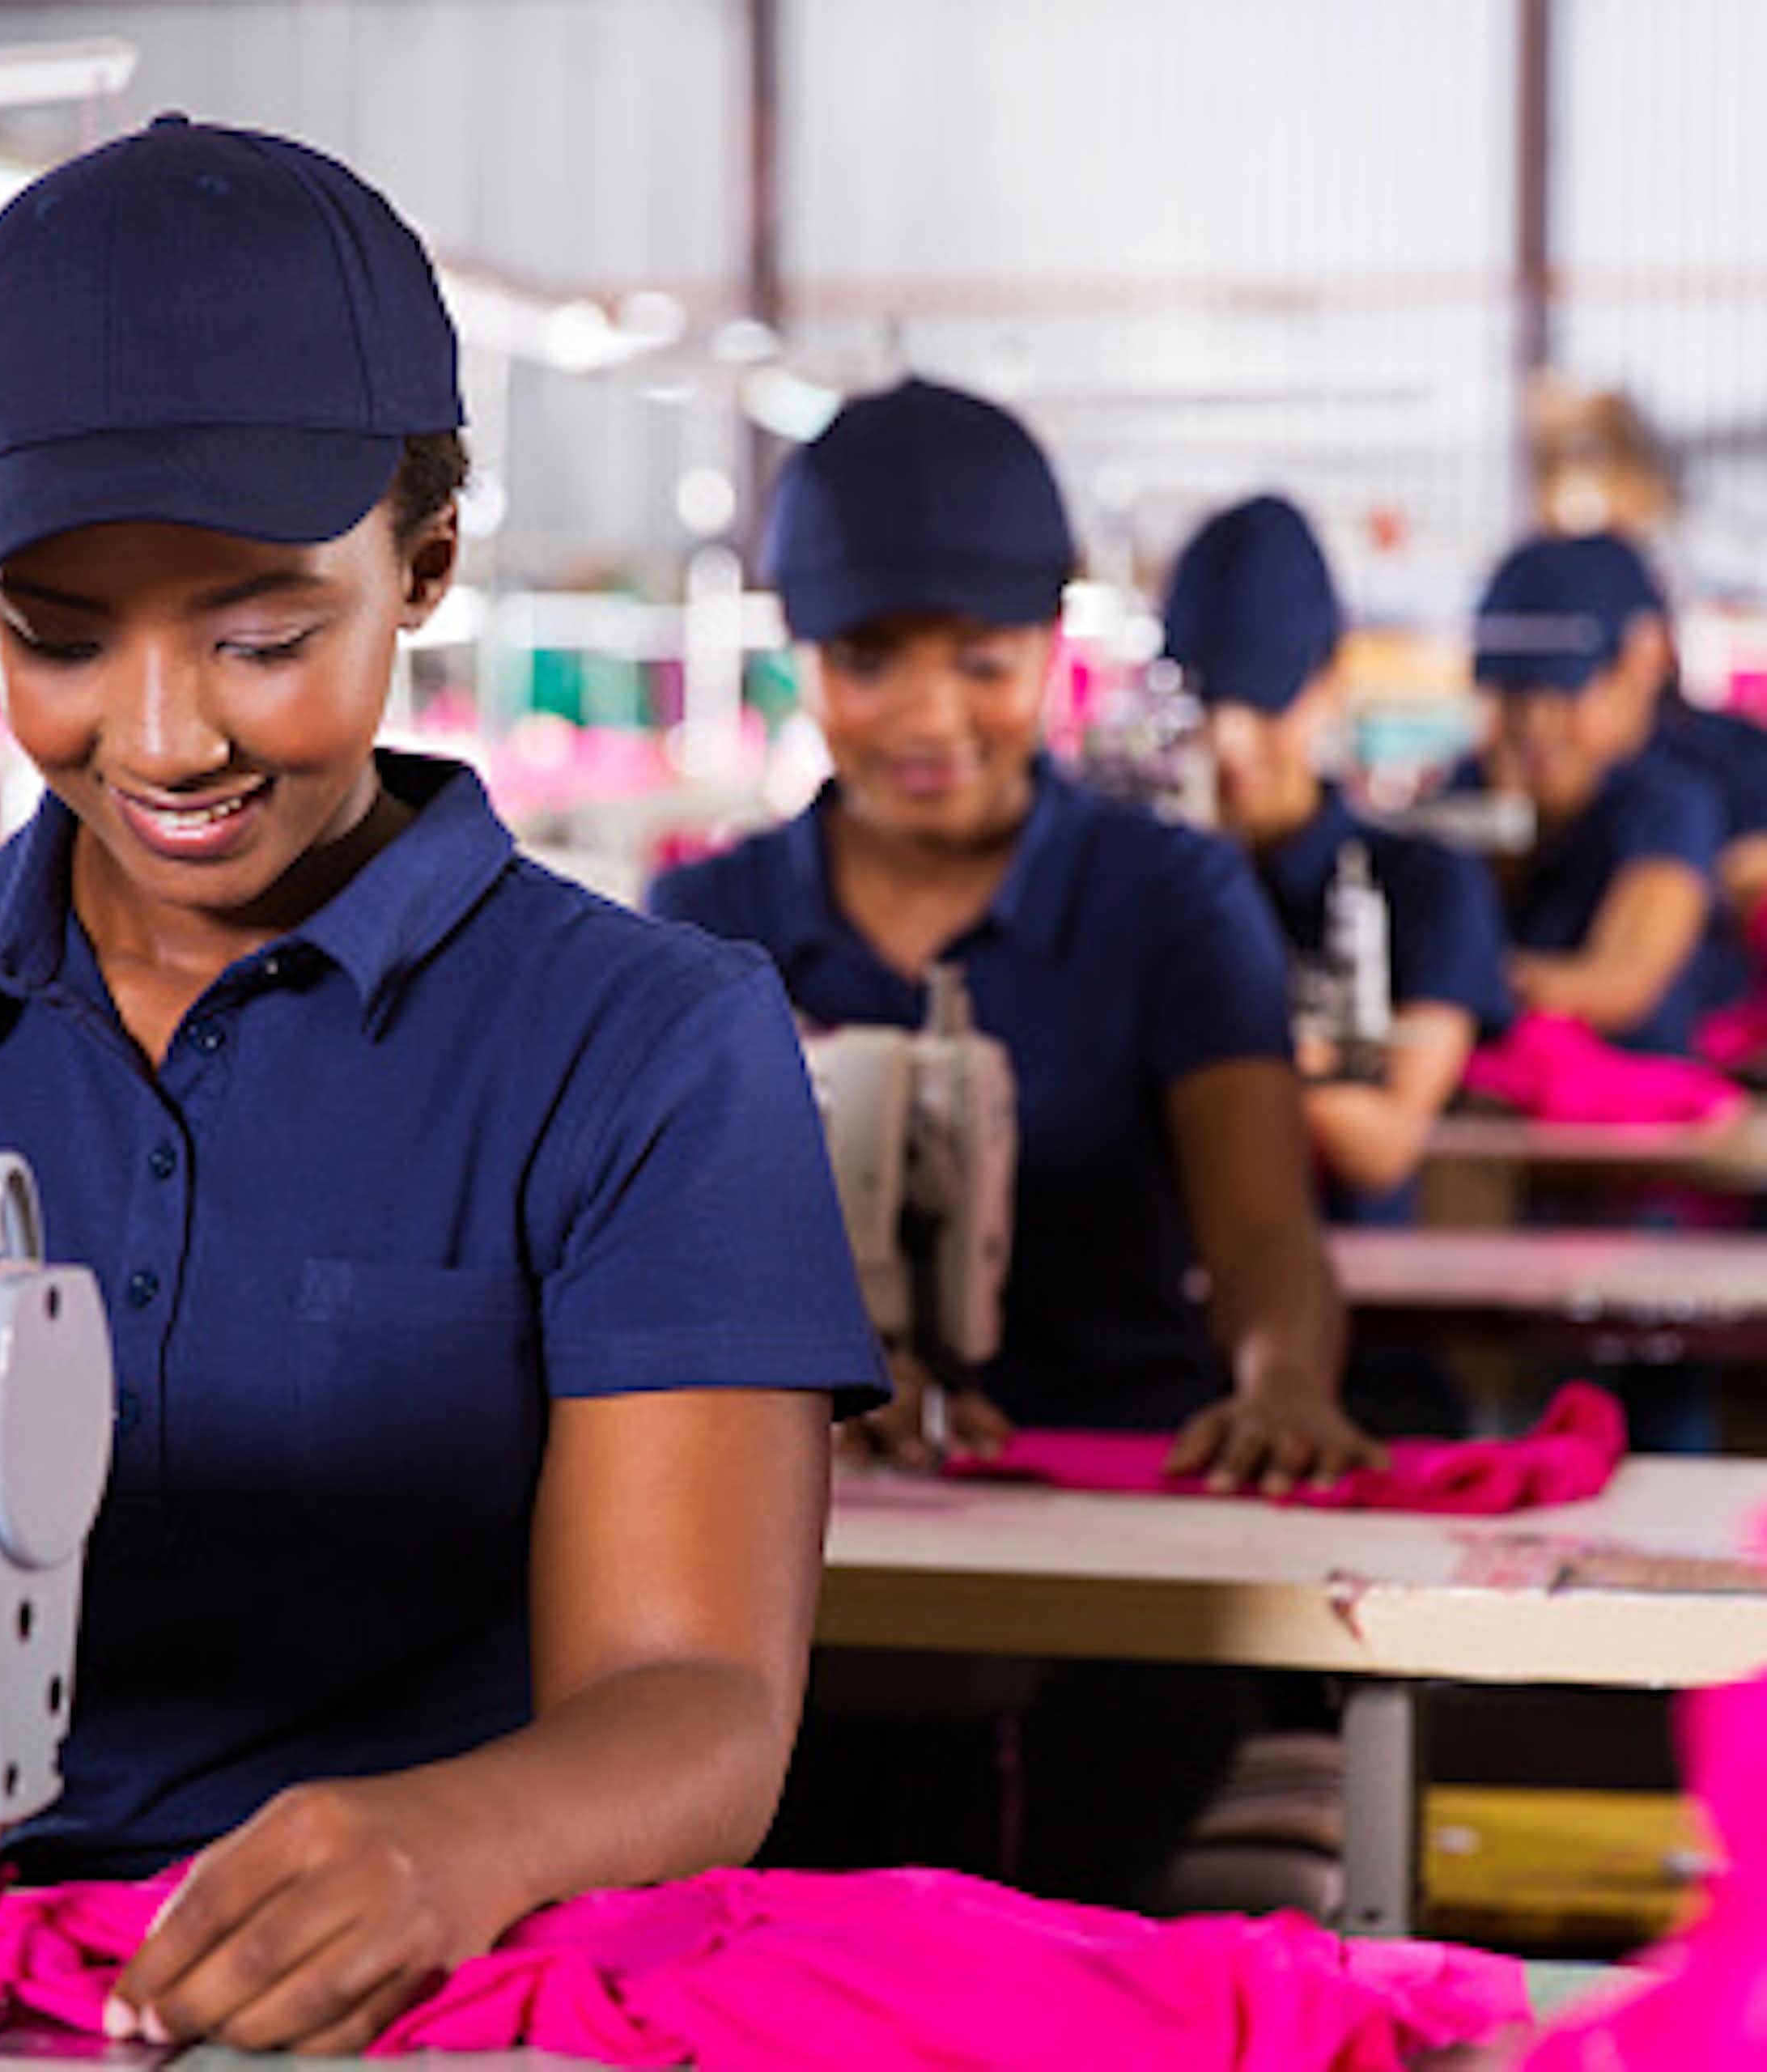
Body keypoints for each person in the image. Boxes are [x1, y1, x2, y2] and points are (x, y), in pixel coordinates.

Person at [0, 117, 882, 2057]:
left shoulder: (645, 1042)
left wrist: (447, 1840)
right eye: (53, 639)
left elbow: (693, 1694)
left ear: (419, 565)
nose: (159, 734)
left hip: (420, 1993)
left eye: (261, 635)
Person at [652, 380, 1372, 1487]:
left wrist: (1281, 1383)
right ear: (798, 650)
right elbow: (662, 1275)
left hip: (1129, 1506)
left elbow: (1263, 1232)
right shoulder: (704, 929)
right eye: (867, 660)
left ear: (1051, 643)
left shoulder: (1174, 899)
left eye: (982, 661)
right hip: (810, 1529)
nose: (929, 716)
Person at [1161, 495, 1513, 1228]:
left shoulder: (1428, 889)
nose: (1230, 741)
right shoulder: (1145, 883)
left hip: (1364, 1315)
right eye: (1207, 705)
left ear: (1330, 682)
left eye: (1264, 705)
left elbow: (1382, 1144)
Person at [1472, 533, 1725, 1055]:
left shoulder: (1666, 803)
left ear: (1637, 664)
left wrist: (1446, 988)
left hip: (1628, 1121)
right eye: (1514, 693)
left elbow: (1622, 984)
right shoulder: (1468, 793)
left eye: (1563, 692)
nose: (1537, 723)